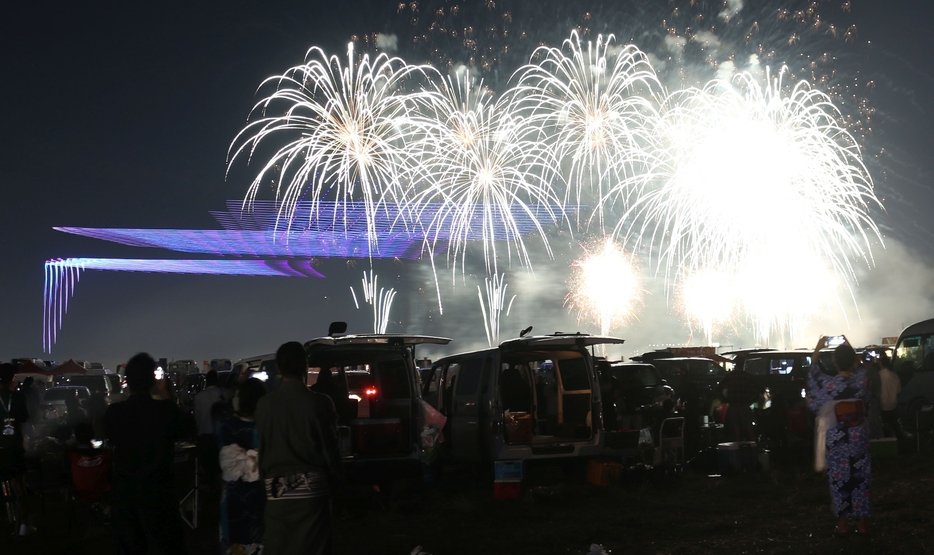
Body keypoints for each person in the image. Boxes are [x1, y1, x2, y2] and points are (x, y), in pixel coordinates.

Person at [256, 341, 342, 555]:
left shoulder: (264, 405)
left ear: (278, 368)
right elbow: (331, 451)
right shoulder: (321, 403)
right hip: (313, 496)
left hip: (276, 495)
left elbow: (262, 447)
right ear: (306, 367)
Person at [103, 352, 190, 554]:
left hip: (126, 494)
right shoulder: (165, 410)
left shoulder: (115, 413)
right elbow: (187, 429)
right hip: (159, 493)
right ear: (153, 380)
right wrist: (168, 395)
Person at [807, 336, 872, 535]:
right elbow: (861, 367)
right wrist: (849, 345)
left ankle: (843, 525)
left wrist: (817, 350)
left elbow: (813, 374)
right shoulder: (861, 381)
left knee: (839, 478)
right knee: (861, 478)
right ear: (852, 360)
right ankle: (862, 525)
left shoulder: (828, 385)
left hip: (837, 438)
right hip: (858, 435)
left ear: (834, 362)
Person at [217, 378, 267, 555]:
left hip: (234, 498)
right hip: (260, 496)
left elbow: (230, 467)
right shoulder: (266, 426)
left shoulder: (225, 425)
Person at [0, 363, 36, 536]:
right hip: (14, 446)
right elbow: (25, 418)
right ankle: (23, 525)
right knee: (20, 486)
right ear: (12, 378)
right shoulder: (18, 397)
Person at [194, 369, 225, 484]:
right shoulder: (223, 394)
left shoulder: (199, 397)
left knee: (207, 468)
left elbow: (197, 418)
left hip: (205, 437)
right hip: (221, 436)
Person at [719, 366, 764, 442]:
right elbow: (759, 388)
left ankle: (737, 445)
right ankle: (753, 445)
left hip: (733, 405)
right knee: (749, 427)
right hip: (745, 405)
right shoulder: (748, 376)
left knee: (735, 427)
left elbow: (719, 388)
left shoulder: (729, 376)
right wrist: (752, 399)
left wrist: (726, 399)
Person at [878, 353, 901, 438]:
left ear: (880, 364)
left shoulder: (878, 376)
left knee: (885, 425)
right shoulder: (894, 376)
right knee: (894, 423)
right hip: (893, 404)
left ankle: (887, 440)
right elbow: (898, 391)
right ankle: (898, 440)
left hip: (882, 405)